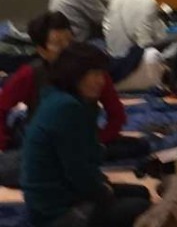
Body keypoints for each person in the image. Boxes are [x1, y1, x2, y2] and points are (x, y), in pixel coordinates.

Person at [19, 43, 150, 227]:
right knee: (140, 206)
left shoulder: (70, 100)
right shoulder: (66, 108)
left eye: (102, 74)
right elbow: (77, 170)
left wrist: (101, 186)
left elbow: (87, 158)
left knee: (141, 193)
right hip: (56, 211)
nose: (101, 81)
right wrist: (102, 191)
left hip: (64, 194)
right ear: (75, 74)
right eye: (94, 74)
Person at [0, 12, 124, 153]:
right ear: (42, 51)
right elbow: (2, 107)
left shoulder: (93, 72)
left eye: (70, 41)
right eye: (59, 44)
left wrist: (99, 140)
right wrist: (3, 145)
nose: (68, 49)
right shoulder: (31, 74)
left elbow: (116, 114)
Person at [103, 0, 169, 91]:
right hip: (133, 67)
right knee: (158, 51)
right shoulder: (149, 3)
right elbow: (145, 42)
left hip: (112, 62)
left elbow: (106, 29)